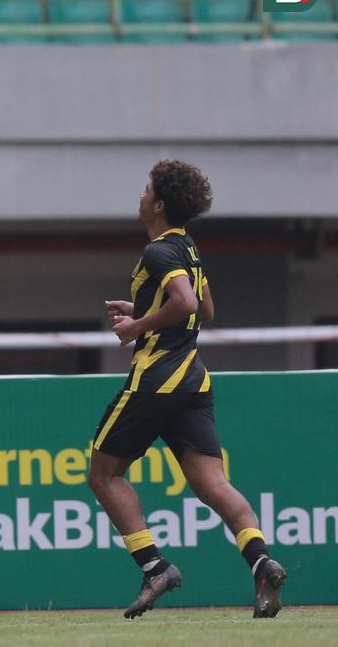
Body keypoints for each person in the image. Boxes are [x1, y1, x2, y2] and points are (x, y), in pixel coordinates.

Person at [88, 160, 286, 619]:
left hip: (158, 377)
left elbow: (188, 303)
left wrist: (137, 324)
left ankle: (155, 567)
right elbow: (207, 310)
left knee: (103, 474)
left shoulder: (157, 251)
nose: (139, 194)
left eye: (146, 189)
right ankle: (261, 561)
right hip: (194, 379)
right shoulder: (188, 248)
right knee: (211, 482)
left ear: (158, 204)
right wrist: (141, 305)